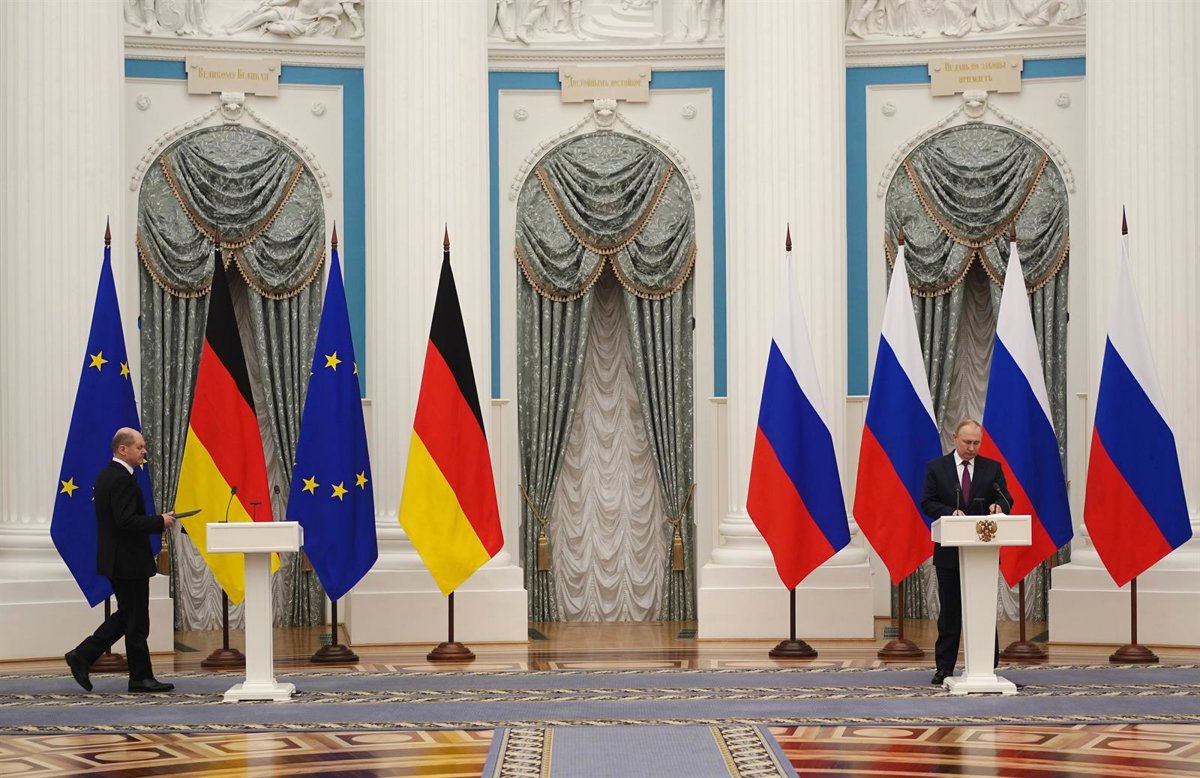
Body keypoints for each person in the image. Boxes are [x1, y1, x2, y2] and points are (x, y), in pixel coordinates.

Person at [65, 428, 176, 693]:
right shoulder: (120, 479)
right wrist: (158, 521)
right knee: (135, 621)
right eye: (139, 447)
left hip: (122, 559)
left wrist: (156, 519)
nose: (144, 451)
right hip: (127, 561)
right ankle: (136, 676)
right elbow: (125, 521)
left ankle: (87, 656)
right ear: (122, 449)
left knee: (129, 616)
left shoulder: (110, 475)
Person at [920, 419, 1008, 685]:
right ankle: (944, 667)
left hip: (982, 554)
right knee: (950, 612)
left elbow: (1005, 498)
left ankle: (987, 666)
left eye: (976, 443)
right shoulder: (937, 468)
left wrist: (998, 507)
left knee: (983, 609)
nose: (971, 448)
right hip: (949, 552)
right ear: (955, 438)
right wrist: (950, 512)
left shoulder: (992, 468)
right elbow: (928, 502)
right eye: (967, 442)